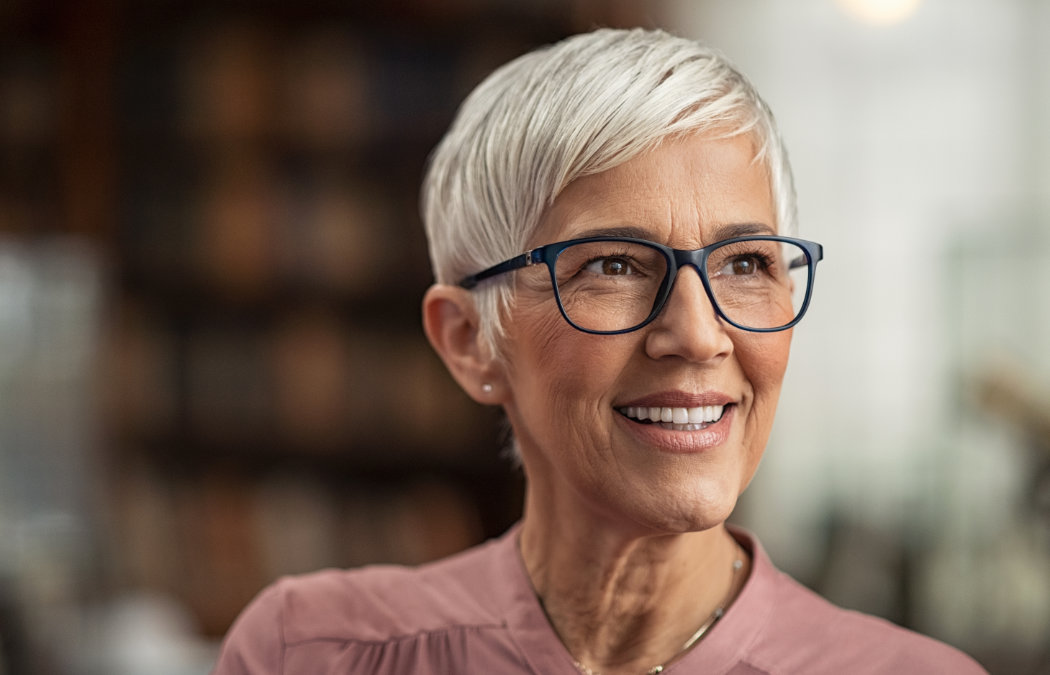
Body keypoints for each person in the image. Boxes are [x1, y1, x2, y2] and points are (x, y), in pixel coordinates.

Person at [212, 28, 987, 674]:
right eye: (613, 265)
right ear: (469, 341)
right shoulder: (305, 652)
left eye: (746, 264)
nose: (697, 333)